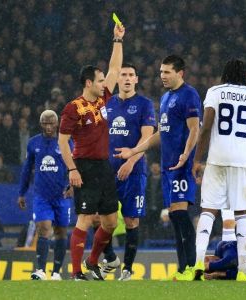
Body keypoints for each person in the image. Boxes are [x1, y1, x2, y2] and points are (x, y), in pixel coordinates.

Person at [114, 55, 202, 280]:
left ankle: (191, 267)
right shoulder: (164, 99)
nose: (162, 76)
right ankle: (183, 269)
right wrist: (134, 151)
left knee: (181, 214)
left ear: (180, 73)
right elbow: (161, 133)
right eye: (161, 72)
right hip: (167, 166)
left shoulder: (189, 95)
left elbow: (194, 129)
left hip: (182, 165)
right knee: (174, 216)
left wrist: (186, 155)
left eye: (167, 72)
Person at [58, 23, 125, 281]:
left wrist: (117, 40)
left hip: (104, 167)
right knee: (85, 218)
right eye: (99, 81)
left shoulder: (102, 99)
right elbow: (63, 143)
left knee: (109, 222)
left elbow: (115, 69)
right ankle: (76, 272)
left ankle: (92, 261)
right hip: (84, 166)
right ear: (89, 83)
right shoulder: (73, 108)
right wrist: (72, 169)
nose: (105, 83)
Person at [191, 59, 246, 281]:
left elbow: (205, 129)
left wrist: (197, 159)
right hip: (243, 161)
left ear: (225, 74)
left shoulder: (215, 91)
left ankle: (197, 263)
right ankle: (243, 271)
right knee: (242, 212)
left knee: (208, 210)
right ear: (245, 77)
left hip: (217, 159)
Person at [99, 63, 156, 281]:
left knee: (132, 220)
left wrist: (131, 161)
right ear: (117, 79)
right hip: (107, 171)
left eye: (131, 75)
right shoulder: (107, 104)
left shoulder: (144, 104)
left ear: (137, 79)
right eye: (123, 74)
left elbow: (147, 137)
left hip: (134, 171)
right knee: (101, 220)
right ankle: (111, 258)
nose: (127, 78)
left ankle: (128, 269)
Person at [18, 110, 73, 281]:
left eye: (51, 123)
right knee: (44, 229)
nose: (48, 127)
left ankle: (56, 272)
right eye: (45, 123)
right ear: (41, 124)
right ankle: (40, 270)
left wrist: (73, 186)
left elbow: (75, 166)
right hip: (41, 196)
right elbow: (27, 169)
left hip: (62, 196)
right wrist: (22, 192)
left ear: (57, 124)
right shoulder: (33, 143)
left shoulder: (66, 142)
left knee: (61, 233)